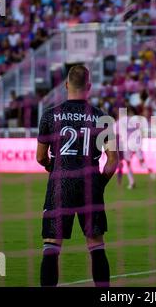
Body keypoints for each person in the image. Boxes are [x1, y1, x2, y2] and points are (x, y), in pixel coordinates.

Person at [36, 65, 118, 287]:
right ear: (89, 87)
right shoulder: (102, 118)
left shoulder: (50, 115)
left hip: (59, 184)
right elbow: (113, 160)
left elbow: (40, 157)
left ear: (65, 85)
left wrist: (52, 167)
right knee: (96, 246)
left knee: (51, 246)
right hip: (89, 184)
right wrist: (99, 184)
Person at [116, 108, 156, 190]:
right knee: (141, 161)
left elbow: (116, 135)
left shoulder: (118, 122)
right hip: (136, 143)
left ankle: (132, 182)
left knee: (128, 163)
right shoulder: (133, 120)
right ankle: (150, 170)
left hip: (127, 144)